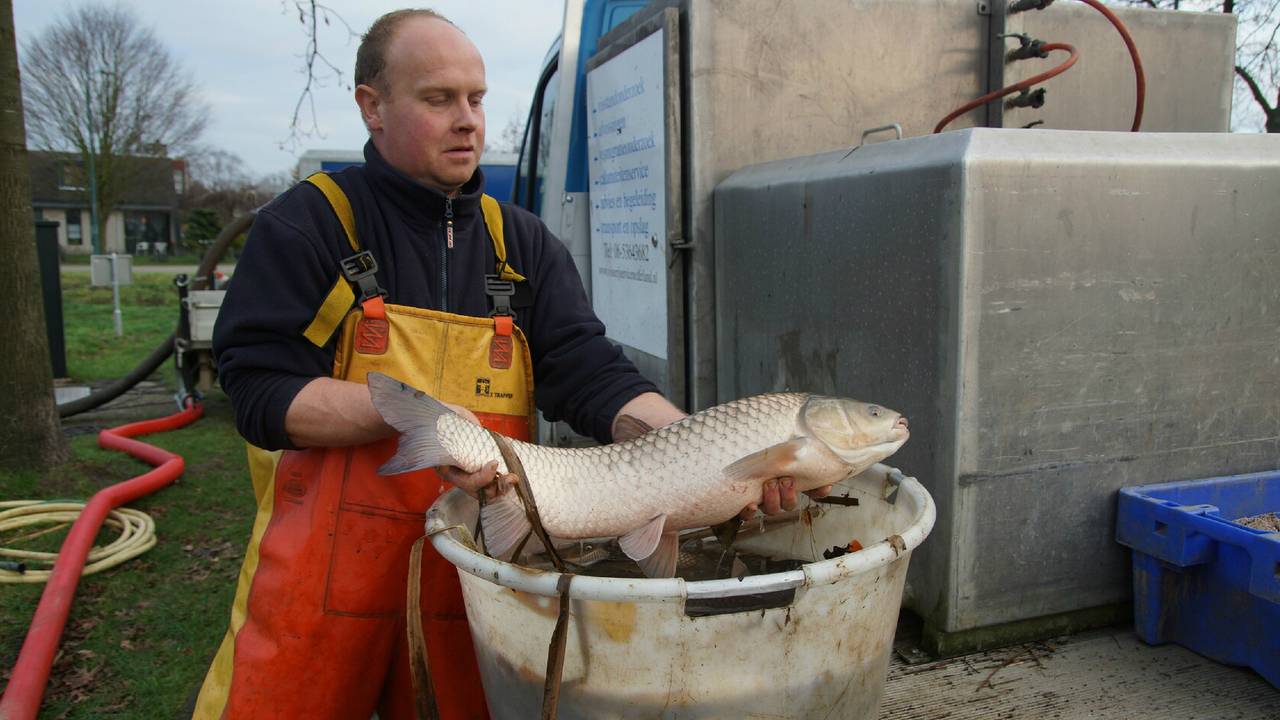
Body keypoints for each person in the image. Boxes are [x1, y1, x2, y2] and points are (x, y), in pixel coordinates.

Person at [194, 9, 811, 719]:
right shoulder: (307, 226)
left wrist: (700, 448)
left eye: (477, 99)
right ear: (372, 106)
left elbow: (589, 372)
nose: (468, 121)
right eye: (438, 99)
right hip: (324, 579)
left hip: (479, 578)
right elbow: (257, 389)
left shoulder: (521, 245)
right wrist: (406, 418)